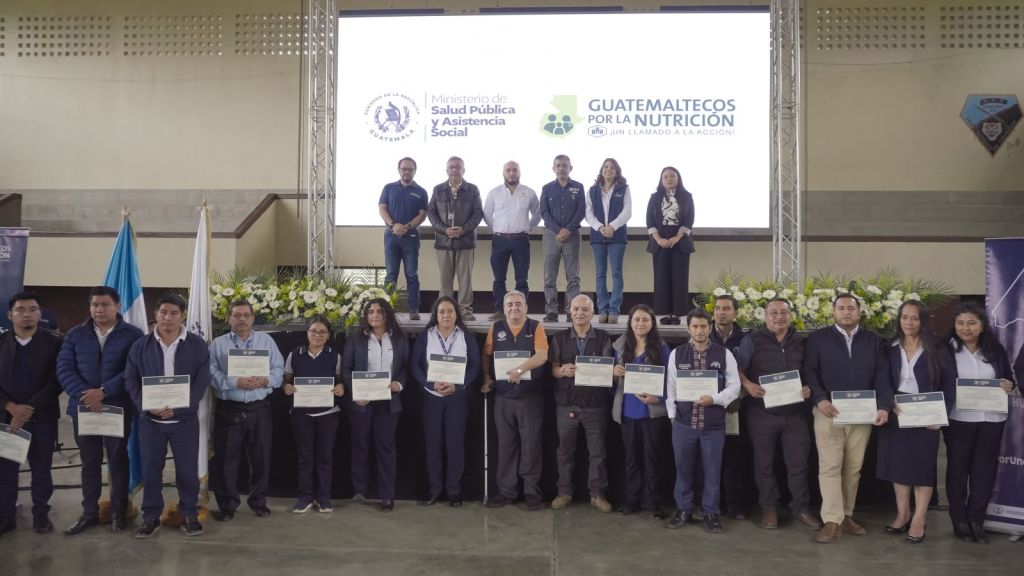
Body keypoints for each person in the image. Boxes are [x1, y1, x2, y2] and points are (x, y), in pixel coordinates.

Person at [803, 294, 892, 543]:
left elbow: (883, 376)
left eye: (851, 308)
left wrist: (883, 407)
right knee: (830, 466)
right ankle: (832, 520)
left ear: (859, 313)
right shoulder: (818, 339)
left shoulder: (874, 341)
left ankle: (846, 514)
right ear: (833, 312)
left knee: (853, 468)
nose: (846, 312)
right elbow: (810, 371)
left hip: (862, 414)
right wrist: (820, 399)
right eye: (841, 308)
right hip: (828, 411)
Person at [57, 286, 144, 535]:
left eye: (105, 304)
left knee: (118, 460)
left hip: (116, 408)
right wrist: (87, 395)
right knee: (89, 463)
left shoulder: (133, 334)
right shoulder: (75, 334)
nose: (99, 309)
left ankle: (118, 513)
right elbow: (64, 369)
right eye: (94, 304)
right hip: (83, 409)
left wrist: (104, 391)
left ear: (117, 306)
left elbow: (133, 369)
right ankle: (89, 513)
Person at [124, 294, 211, 538]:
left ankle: (189, 515)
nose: (168, 318)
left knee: (186, 472)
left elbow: (201, 382)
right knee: (152, 471)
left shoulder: (196, 345)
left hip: (184, 422)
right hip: (150, 422)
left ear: (182, 315)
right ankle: (150, 517)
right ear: (155, 314)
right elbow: (130, 380)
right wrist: (145, 405)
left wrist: (181, 408)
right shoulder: (140, 346)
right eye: (163, 312)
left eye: (174, 313)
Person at [736, 297, 820, 531]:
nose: (779, 317)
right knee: (764, 464)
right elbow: (737, 369)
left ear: (790, 315)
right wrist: (748, 385)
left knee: (799, 464)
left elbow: (810, 372)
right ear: (765, 316)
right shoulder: (751, 340)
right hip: (761, 414)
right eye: (773, 313)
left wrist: (807, 388)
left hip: (795, 414)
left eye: (783, 312)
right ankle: (769, 509)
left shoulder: (802, 341)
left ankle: (801, 509)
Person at [877, 300, 954, 544]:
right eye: (904, 317)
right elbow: (882, 380)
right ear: (898, 320)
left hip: (927, 412)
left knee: (922, 468)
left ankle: (919, 519)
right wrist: (888, 403)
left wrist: (941, 415)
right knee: (899, 467)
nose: (909, 322)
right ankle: (903, 514)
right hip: (898, 411)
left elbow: (950, 384)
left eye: (914, 318)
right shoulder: (889, 347)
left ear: (923, 321)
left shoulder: (938, 348)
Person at [943, 302, 1016, 544]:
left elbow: (1008, 379)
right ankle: (960, 521)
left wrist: (1009, 386)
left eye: (972, 323)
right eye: (961, 323)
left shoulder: (995, 350)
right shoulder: (945, 350)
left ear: (982, 326)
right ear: (954, 325)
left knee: (984, 472)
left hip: (991, 419)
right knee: (957, 470)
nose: (966, 328)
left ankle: (976, 520)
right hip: (959, 420)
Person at [665, 309, 741, 533]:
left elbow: (734, 386)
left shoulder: (724, 354)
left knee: (712, 470)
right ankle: (684, 509)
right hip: (683, 423)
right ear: (688, 328)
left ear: (710, 327)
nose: (699, 331)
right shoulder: (676, 354)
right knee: (683, 469)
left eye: (703, 326)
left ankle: (710, 512)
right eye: (695, 326)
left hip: (713, 425)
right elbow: (671, 387)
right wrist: (671, 416)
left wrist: (715, 399)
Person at [209, 300, 285, 520]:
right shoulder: (217, 344)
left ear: (252, 318)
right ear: (229, 319)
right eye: (236, 315)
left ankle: (258, 502)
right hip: (229, 410)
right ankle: (227, 506)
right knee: (226, 461)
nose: (241, 319)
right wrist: (235, 383)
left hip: (259, 409)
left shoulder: (266, 341)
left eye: (246, 315)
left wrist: (266, 380)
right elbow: (210, 372)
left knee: (261, 460)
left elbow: (279, 369)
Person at [0, 291, 62, 537]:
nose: (27, 315)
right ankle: (6, 516)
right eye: (21, 310)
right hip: (6, 420)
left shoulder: (55, 343)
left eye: (33, 309)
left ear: (40, 313)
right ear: (10, 315)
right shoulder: (1, 344)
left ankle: (41, 515)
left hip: (42, 418)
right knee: (5, 471)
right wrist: (10, 407)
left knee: (41, 470)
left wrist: (28, 409)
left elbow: (57, 381)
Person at [410, 296, 481, 507]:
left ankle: (454, 491)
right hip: (432, 398)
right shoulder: (426, 336)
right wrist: (431, 385)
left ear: (456, 314)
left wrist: (459, 386)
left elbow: (475, 366)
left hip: (457, 398)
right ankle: (434, 490)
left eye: (450, 311)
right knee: (433, 445)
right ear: (436, 315)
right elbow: (415, 366)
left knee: (455, 445)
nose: (446, 315)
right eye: (441, 312)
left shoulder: (466, 337)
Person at [481, 290, 549, 509]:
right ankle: (507, 492)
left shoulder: (536, 327)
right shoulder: (496, 328)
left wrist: (519, 370)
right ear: (504, 308)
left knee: (531, 446)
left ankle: (531, 493)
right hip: (503, 397)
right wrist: (486, 376)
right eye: (509, 304)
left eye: (518, 304)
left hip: (530, 398)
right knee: (506, 446)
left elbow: (542, 356)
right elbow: (486, 354)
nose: (514, 308)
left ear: (526, 307)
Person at [342, 298, 408, 512]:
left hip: (388, 403)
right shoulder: (356, 339)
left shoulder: (399, 338)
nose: (375, 315)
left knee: (386, 450)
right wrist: (356, 393)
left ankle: (387, 495)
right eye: (370, 311)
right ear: (365, 315)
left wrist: (399, 383)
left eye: (379, 311)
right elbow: (346, 368)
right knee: (360, 447)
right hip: (362, 403)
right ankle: (360, 490)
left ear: (387, 314)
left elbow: (405, 367)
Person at [550, 295, 614, 512]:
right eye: (576, 309)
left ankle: (597, 495)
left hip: (595, 405)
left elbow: (607, 370)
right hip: (566, 404)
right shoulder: (559, 337)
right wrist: (561, 371)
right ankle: (564, 492)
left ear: (592, 312)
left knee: (597, 453)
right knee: (564, 452)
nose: (580, 313)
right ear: (570, 311)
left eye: (585, 309)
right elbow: (554, 369)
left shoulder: (604, 337)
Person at [281, 316, 345, 514]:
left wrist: (341, 387)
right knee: (305, 458)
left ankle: (324, 498)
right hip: (302, 414)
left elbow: (340, 380)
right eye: (313, 331)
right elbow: (286, 380)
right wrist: (286, 388)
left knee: (325, 458)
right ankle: (305, 497)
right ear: (307, 333)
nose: (317, 335)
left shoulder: (335, 356)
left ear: (328, 336)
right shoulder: (295, 355)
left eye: (322, 332)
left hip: (328, 413)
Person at [612, 303, 670, 519]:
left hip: (652, 412)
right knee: (631, 459)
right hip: (627, 410)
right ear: (630, 322)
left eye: (645, 319)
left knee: (652, 458)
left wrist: (659, 397)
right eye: (636, 319)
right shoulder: (618, 346)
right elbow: (610, 380)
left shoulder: (662, 347)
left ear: (652, 323)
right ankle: (632, 498)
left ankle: (652, 500)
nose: (640, 323)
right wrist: (613, 372)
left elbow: (671, 381)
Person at [427, 156, 484, 321]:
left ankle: (465, 310)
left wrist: (463, 230)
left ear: (463, 170)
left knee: (465, 279)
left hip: (465, 242)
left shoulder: (473, 189)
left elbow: (478, 213)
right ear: (446, 170)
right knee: (445, 280)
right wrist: (444, 230)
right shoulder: (438, 189)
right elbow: (431, 212)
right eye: (451, 167)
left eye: (458, 167)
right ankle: (445, 311)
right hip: (444, 242)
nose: (454, 170)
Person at [483, 161, 540, 321]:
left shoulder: (529, 192)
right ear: (503, 172)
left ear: (519, 172)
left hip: (521, 240)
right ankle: (500, 310)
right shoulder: (494, 193)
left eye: (515, 170)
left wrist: (527, 228)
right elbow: (487, 214)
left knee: (521, 279)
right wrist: (498, 228)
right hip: (499, 240)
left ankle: (520, 311)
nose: (511, 173)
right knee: (499, 278)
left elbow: (537, 213)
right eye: (508, 170)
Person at [708, 294, 748, 520]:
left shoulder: (745, 340)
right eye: (717, 309)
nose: (721, 312)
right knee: (708, 458)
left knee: (733, 457)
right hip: (709, 405)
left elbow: (749, 370)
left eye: (726, 308)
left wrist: (737, 396)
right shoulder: (703, 334)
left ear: (736, 313)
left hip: (735, 407)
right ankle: (709, 502)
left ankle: (734, 504)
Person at [379, 157, 429, 320]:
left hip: (411, 237)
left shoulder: (421, 191)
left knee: (411, 274)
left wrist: (406, 227)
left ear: (415, 170)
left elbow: (422, 215)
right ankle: (386, 310)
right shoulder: (388, 188)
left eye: (410, 169)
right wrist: (393, 225)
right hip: (391, 236)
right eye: (404, 169)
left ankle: (413, 309)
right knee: (391, 274)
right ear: (398, 169)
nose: (407, 172)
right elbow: (382, 209)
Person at [539, 154, 586, 323]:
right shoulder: (547, 188)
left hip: (572, 236)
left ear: (570, 168)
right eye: (558, 165)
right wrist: (558, 230)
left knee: (573, 276)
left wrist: (568, 229)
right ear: (554, 168)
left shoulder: (579, 187)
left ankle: (571, 311)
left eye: (565, 165)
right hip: (552, 236)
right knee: (549, 276)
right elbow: (544, 212)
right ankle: (551, 310)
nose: (562, 168)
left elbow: (581, 211)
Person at [645, 166, 694, 325]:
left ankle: (678, 315)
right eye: (665, 176)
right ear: (661, 180)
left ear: (678, 178)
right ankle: (663, 315)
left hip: (680, 240)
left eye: (672, 176)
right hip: (659, 240)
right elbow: (649, 221)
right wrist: (658, 238)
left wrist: (677, 237)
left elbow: (689, 220)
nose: (668, 179)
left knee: (679, 278)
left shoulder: (687, 197)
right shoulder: (654, 197)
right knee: (661, 278)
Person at [585, 158, 631, 324]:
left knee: (616, 273)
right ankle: (602, 309)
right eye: (605, 167)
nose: (608, 169)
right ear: (601, 170)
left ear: (617, 171)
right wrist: (600, 227)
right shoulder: (592, 190)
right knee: (600, 274)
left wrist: (612, 226)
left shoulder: (624, 189)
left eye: (612, 167)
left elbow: (627, 212)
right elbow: (588, 213)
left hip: (617, 237)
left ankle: (614, 310)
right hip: (598, 237)